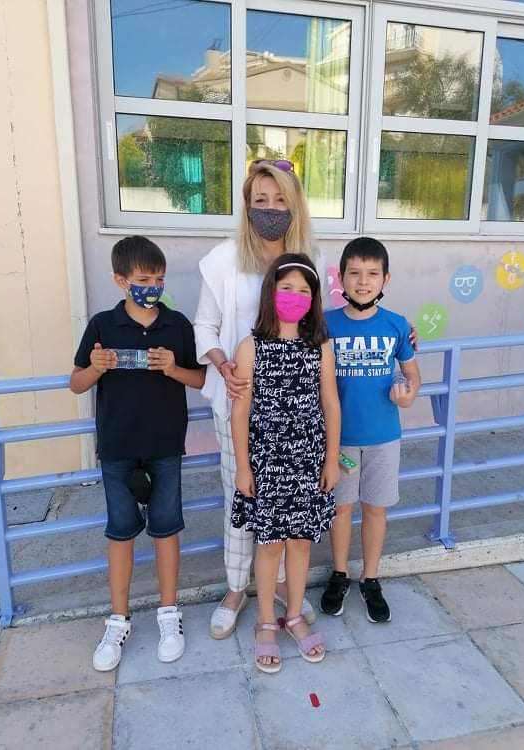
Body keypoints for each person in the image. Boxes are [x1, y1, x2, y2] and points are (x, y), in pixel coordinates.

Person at [194, 161, 323, 639]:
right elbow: (204, 326)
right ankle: (235, 589)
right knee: (242, 493)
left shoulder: (309, 258)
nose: (270, 208)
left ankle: (283, 586)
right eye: (260, 200)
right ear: (247, 205)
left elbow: (321, 324)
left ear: (295, 204)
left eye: (280, 199)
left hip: (294, 412)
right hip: (241, 401)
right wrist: (221, 362)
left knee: (287, 502)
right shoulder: (224, 259)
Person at [70, 236, 205, 671]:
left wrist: (173, 368)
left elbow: (200, 379)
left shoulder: (177, 325)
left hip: (166, 446)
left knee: (166, 530)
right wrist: (96, 369)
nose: (153, 287)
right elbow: (76, 383)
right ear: (120, 280)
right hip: (117, 448)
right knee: (121, 532)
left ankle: (169, 615)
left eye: (159, 279)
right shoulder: (101, 325)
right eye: (144, 279)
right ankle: (118, 620)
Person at [231, 254, 340, 673]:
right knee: (270, 544)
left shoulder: (320, 346)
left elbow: (330, 404)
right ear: (270, 293)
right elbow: (240, 411)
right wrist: (244, 467)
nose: (295, 296)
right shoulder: (251, 347)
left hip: (308, 460)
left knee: (300, 542)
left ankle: (293, 615)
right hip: (267, 461)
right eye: (286, 288)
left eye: (304, 290)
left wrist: (330, 459)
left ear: (314, 299)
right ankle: (265, 622)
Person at [320, 237, 421, 623]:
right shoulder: (325, 324)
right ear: (341, 278)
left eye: (372, 274)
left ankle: (371, 577)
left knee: (376, 509)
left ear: (385, 279)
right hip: (339, 439)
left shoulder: (397, 325)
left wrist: (407, 395)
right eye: (355, 273)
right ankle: (339, 573)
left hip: (383, 438)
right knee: (340, 508)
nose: (363, 281)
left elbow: (412, 376)